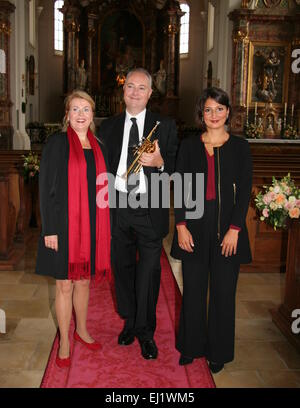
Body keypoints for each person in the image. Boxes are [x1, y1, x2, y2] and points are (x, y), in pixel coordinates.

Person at [171, 87, 252, 374]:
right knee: (193, 290)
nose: (214, 115)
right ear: (201, 115)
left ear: (228, 112)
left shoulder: (240, 147)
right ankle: (190, 347)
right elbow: (179, 189)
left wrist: (235, 229)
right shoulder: (189, 146)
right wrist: (180, 226)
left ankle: (218, 351)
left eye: (219, 109)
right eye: (208, 109)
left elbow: (244, 193)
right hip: (194, 224)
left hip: (228, 227)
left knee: (223, 292)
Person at [98, 68, 178, 360]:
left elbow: (176, 166)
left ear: (150, 93)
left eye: (141, 88)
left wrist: (159, 162)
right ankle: (129, 322)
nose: (134, 92)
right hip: (117, 205)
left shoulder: (165, 125)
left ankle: (146, 332)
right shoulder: (108, 126)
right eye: (130, 86)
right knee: (123, 270)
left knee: (148, 272)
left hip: (148, 207)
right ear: (123, 91)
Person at [36, 90, 111, 368]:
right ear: (66, 115)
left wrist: (105, 225)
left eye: (86, 110)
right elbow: (46, 189)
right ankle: (65, 341)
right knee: (65, 284)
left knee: (83, 281)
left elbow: (104, 187)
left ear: (93, 115)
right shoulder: (57, 143)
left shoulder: (98, 145)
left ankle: (81, 330)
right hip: (63, 225)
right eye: (75, 109)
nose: (81, 115)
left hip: (91, 224)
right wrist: (50, 229)